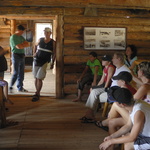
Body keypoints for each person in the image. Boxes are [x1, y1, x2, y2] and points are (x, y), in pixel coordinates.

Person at [80, 52, 131, 121]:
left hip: (115, 92)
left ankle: (89, 115)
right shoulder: (117, 68)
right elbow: (103, 80)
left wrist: (145, 83)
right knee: (94, 91)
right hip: (111, 90)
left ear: (119, 59)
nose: (112, 59)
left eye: (114, 58)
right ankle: (89, 115)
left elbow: (133, 78)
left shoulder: (125, 69)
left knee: (94, 94)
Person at [80, 55, 115, 122]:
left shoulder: (111, 67)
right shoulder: (105, 68)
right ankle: (91, 111)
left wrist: (105, 88)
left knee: (93, 91)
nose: (102, 61)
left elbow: (108, 79)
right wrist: (96, 87)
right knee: (92, 89)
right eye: (102, 60)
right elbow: (102, 80)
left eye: (104, 60)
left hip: (109, 85)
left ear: (109, 62)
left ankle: (90, 112)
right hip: (104, 84)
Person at [32, 27, 56, 102]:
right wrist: (34, 52)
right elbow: (35, 45)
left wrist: (53, 62)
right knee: (36, 77)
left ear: (50, 33)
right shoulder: (40, 39)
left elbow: (54, 53)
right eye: (45, 32)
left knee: (39, 77)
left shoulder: (53, 42)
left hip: (45, 61)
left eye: (48, 32)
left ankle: (38, 92)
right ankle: (37, 92)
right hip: (37, 59)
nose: (46, 33)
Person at [9, 24, 29, 92]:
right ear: (18, 30)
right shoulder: (13, 37)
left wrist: (22, 45)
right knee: (16, 72)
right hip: (16, 55)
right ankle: (10, 86)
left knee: (21, 73)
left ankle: (20, 87)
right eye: (22, 31)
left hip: (22, 55)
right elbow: (18, 47)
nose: (23, 32)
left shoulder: (21, 37)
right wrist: (23, 45)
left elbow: (28, 44)